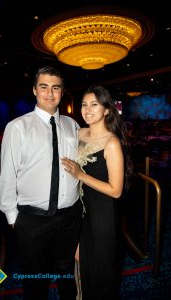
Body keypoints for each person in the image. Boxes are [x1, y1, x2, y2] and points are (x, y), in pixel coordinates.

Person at [0, 66, 83, 300]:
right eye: (43, 86)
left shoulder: (72, 125)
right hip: (32, 220)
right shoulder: (17, 127)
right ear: (34, 89)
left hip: (70, 216)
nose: (49, 93)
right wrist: (13, 219)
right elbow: (7, 175)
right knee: (35, 278)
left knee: (66, 272)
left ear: (62, 92)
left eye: (55, 88)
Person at [61, 85, 133, 300]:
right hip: (79, 209)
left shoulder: (111, 143)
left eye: (94, 104)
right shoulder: (79, 133)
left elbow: (116, 190)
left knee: (99, 266)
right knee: (78, 259)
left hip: (102, 213)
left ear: (107, 110)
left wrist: (80, 175)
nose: (87, 109)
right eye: (84, 104)